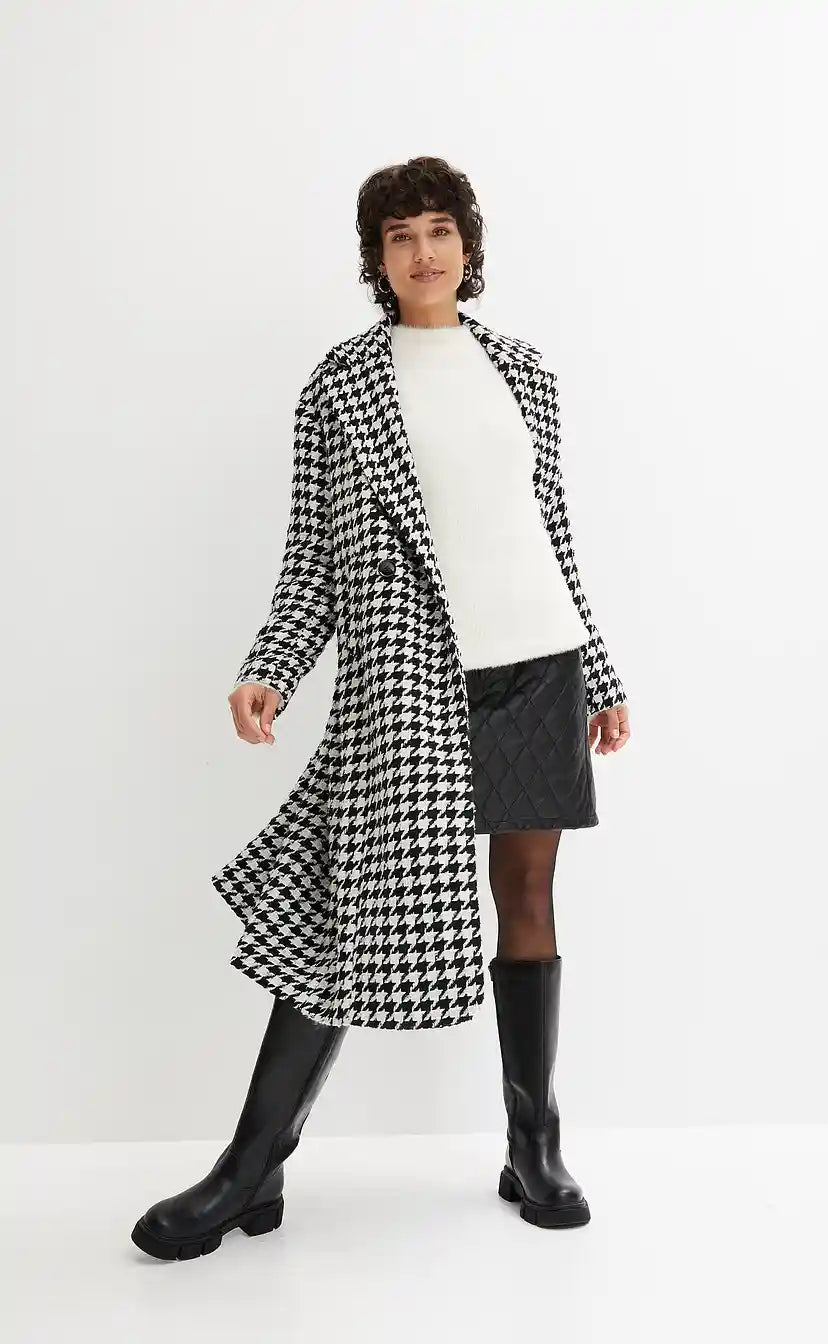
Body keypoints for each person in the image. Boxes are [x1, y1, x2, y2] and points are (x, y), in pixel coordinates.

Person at [131, 156, 630, 1259]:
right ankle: (252, 1165)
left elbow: (548, 533)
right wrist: (272, 667)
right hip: (411, 680)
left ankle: (534, 1145)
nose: (422, 252)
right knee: (341, 912)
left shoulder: (526, 374)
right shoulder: (343, 384)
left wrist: (599, 673)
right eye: (399, 236)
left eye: (438, 230)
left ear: (468, 245)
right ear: (377, 259)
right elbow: (311, 555)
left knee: (529, 896)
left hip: (538, 664)